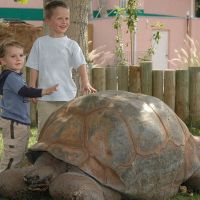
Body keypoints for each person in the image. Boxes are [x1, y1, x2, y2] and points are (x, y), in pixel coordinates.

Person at [26, 0, 96, 136]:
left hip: (67, 96)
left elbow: (81, 64)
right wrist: (32, 89)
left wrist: (86, 82)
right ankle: (43, 155)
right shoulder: (40, 43)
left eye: (67, 18)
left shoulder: (72, 45)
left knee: (66, 131)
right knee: (45, 130)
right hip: (45, 97)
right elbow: (34, 67)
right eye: (60, 18)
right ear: (48, 20)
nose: (64, 22)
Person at [0, 39, 58, 172]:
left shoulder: (14, 76)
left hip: (20, 122)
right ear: (3, 61)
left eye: (21, 55)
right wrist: (44, 91)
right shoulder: (11, 77)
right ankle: (3, 180)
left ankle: (9, 179)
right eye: (13, 56)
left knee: (19, 152)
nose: (18, 59)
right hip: (14, 122)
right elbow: (24, 91)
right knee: (12, 155)